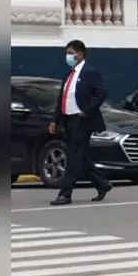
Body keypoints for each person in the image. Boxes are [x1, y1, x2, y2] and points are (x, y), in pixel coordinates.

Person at [49, 39, 113, 206]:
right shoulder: (70, 74)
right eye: (67, 53)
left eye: (70, 53)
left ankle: (65, 193)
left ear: (80, 54)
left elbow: (101, 93)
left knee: (73, 157)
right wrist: (55, 120)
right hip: (68, 120)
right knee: (81, 157)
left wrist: (88, 110)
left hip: (81, 120)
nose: (68, 56)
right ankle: (102, 184)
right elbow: (62, 98)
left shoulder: (89, 72)